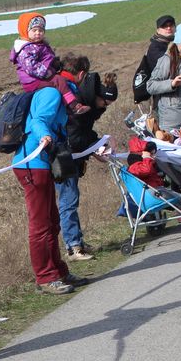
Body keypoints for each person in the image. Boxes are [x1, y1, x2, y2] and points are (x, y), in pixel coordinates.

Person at [12, 86, 87, 295]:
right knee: (41, 225)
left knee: (52, 222)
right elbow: (37, 121)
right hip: (32, 165)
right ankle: (45, 277)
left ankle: (59, 272)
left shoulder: (60, 93)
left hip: (41, 164)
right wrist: (45, 135)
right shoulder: (52, 93)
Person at [56, 54, 118, 261]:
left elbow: (84, 135)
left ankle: (77, 241)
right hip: (62, 159)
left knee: (71, 200)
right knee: (68, 201)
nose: (104, 107)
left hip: (70, 157)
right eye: (104, 103)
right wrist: (95, 147)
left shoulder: (86, 107)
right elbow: (75, 137)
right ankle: (73, 247)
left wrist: (97, 144)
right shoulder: (79, 108)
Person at [10, 12, 90, 115]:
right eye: (34, 30)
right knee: (59, 80)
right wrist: (47, 72)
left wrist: (55, 64)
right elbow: (31, 67)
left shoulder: (38, 45)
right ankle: (74, 106)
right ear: (25, 32)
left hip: (39, 77)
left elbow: (46, 58)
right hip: (33, 80)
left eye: (41, 30)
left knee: (61, 79)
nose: (38, 33)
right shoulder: (26, 49)